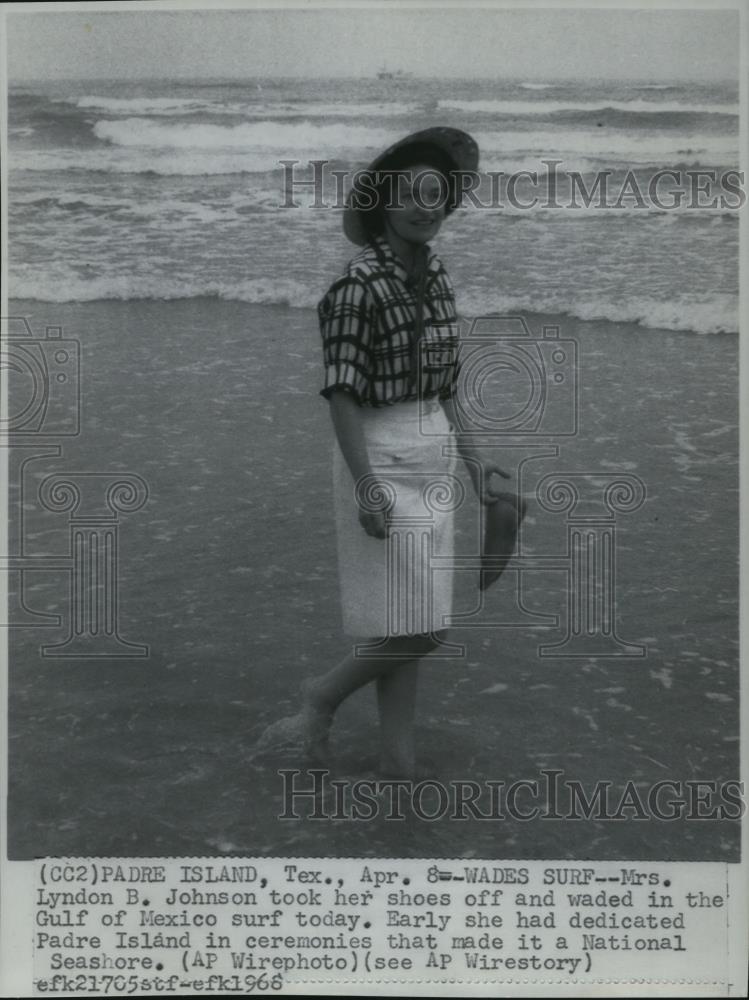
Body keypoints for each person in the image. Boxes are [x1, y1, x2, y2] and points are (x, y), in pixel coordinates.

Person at [257, 127, 516, 777]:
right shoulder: (355, 288)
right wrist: (365, 482)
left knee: (407, 624)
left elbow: (447, 385)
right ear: (383, 205)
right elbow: (341, 395)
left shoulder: (436, 279)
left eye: (436, 192)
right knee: (421, 629)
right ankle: (321, 696)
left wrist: (475, 461)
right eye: (409, 194)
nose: (424, 205)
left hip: (430, 449)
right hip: (377, 455)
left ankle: (398, 762)